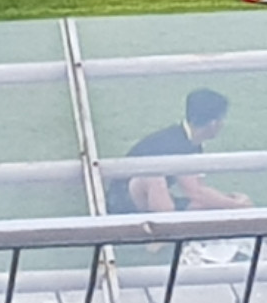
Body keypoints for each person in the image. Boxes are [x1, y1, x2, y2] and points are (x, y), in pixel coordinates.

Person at [104, 89, 251, 214]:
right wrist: (235, 205)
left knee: (205, 205)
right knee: (157, 184)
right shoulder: (176, 144)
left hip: (146, 196)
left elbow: (200, 188)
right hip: (122, 200)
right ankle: (159, 243)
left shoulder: (191, 143)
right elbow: (195, 192)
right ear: (213, 123)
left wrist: (228, 199)